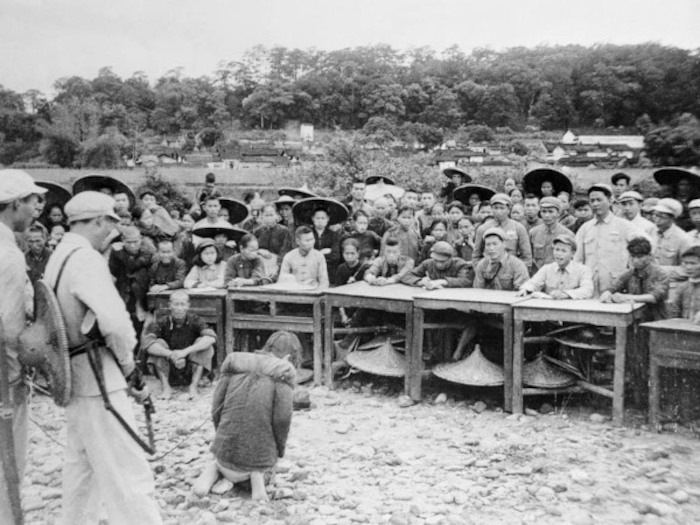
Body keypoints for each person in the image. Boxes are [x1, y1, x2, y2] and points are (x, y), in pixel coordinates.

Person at [43, 191, 161, 524]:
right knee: (129, 474)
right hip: (99, 379)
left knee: (81, 473)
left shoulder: (59, 255)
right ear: (97, 220)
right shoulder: (86, 259)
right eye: (110, 223)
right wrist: (130, 370)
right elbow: (115, 325)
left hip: (73, 377)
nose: (112, 230)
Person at [193, 331, 297, 501]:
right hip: (255, 464)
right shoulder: (284, 370)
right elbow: (282, 419)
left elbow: (216, 408)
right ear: (288, 356)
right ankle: (257, 483)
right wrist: (280, 450)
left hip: (224, 452)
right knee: (261, 469)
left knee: (221, 462)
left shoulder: (234, 361)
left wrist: (223, 438)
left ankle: (216, 471)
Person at [0, 170, 46, 525]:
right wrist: (18, 376)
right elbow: (10, 324)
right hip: (3, 373)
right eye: (32, 201)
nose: (37, 208)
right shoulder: (9, 255)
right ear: (15, 204)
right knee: (9, 455)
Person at [574, 183, 646, 296]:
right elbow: (577, 259)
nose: (595, 204)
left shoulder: (625, 226)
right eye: (592, 201)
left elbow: (645, 249)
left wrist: (632, 275)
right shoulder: (585, 228)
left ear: (610, 200)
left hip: (617, 287)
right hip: (590, 288)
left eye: (599, 200)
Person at [142, 290, 216, 399]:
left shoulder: (195, 320)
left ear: (188, 306)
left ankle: (193, 387)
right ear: (170, 305)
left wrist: (184, 352)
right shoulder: (161, 322)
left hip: (190, 370)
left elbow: (211, 338)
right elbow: (147, 344)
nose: (179, 308)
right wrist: (171, 354)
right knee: (158, 343)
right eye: (176, 304)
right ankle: (166, 388)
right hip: (169, 369)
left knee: (204, 343)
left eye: (182, 304)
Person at [599, 237, 669, 322]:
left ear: (650, 256)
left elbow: (653, 297)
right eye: (632, 256)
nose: (635, 260)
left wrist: (626, 297)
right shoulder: (628, 273)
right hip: (633, 320)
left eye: (640, 257)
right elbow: (612, 287)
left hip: (655, 320)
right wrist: (607, 295)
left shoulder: (661, 273)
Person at [108, 226, 153, 337]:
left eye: (135, 242)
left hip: (143, 291)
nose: (132, 245)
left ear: (140, 239)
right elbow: (113, 270)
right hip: (124, 290)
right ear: (123, 240)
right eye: (128, 242)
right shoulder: (116, 251)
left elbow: (132, 265)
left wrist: (120, 253)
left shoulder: (148, 249)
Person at [517, 235, 593, 299]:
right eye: (557, 250)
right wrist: (525, 289)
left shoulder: (583, 270)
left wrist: (566, 294)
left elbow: (588, 290)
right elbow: (533, 282)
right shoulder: (547, 268)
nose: (559, 254)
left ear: (572, 254)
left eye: (563, 251)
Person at [472, 193, 532, 269]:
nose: (498, 211)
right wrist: (482, 271)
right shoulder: (483, 229)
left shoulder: (518, 227)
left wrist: (519, 272)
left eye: (502, 208)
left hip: (512, 270)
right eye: (495, 208)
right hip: (489, 271)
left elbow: (527, 256)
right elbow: (476, 256)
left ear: (509, 209)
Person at [401, 241, 472, 290]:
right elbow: (406, 275)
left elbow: (466, 281)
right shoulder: (428, 263)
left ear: (450, 258)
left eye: (442, 261)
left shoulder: (460, 264)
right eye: (436, 260)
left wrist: (443, 282)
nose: (438, 264)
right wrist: (420, 281)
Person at [529, 196, 572, 273]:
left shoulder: (567, 234)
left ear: (558, 213)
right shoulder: (533, 232)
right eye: (544, 211)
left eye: (551, 211)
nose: (547, 215)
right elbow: (529, 257)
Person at [669, 245, 700, 323]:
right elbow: (674, 312)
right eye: (685, 263)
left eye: (693, 263)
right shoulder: (682, 287)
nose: (688, 267)